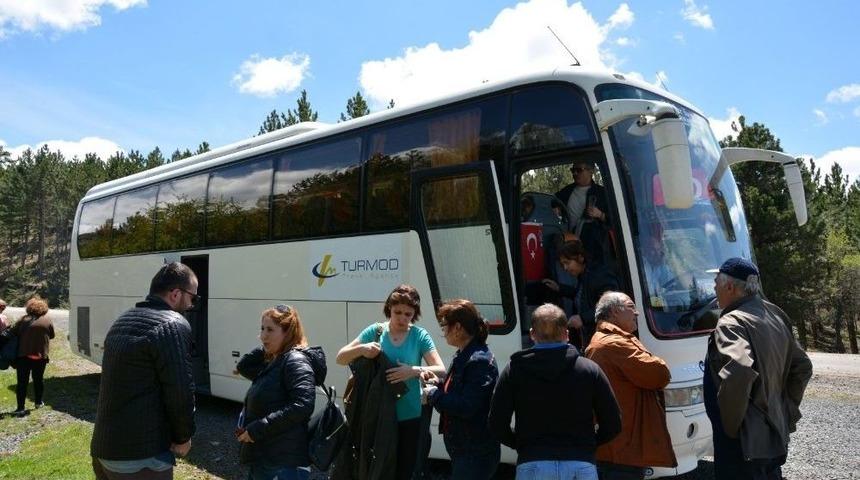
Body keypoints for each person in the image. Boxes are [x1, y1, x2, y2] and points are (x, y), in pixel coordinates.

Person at [704, 258, 813, 480]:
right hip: (773, 437)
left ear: (730, 287)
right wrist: (784, 409)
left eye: (716, 282)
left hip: (744, 445)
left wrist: (732, 428)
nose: (714, 288)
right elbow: (802, 366)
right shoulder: (774, 314)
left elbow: (740, 371)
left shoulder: (731, 322)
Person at [488, 303, 621, 480]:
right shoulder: (590, 369)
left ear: (532, 334)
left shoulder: (514, 370)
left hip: (532, 461)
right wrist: (588, 444)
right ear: (566, 334)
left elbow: (496, 423)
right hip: (580, 462)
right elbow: (613, 423)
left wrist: (522, 445)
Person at [91, 262, 198, 480]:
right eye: (193, 298)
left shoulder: (122, 320)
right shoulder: (173, 324)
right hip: (141, 459)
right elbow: (180, 391)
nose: (192, 305)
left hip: (104, 451)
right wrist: (183, 437)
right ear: (176, 294)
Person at [336, 284, 446, 480]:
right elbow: (341, 358)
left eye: (408, 314)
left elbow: (441, 370)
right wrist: (362, 349)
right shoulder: (375, 331)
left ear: (415, 314)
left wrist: (413, 371)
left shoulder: (420, 336)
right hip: (376, 415)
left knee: (403, 471)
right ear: (389, 309)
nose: (403, 318)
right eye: (398, 312)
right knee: (374, 470)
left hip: (409, 415)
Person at [585, 292, 676, 479]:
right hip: (621, 450)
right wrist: (658, 361)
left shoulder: (607, 340)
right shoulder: (614, 344)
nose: (637, 313)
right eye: (631, 307)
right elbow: (660, 374)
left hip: (619, 447)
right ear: (614, 312)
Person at [235, 304, 327, 480]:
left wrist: (257, 428)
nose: (263, 335)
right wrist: (268, 347)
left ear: (288, 332)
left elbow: (302, 406)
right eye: (262, 329)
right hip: (268, 456)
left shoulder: (295, 361)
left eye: (270, 330)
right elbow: (244, 366)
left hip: (283, 461)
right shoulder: (278, 358)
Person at [422, 299, 500, 479]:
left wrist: (434, 394)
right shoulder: (464, 354)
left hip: (474, 451)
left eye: (444, 326)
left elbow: (467, 406)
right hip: (465, 450)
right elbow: (455, 396)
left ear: (457, 327)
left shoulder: (478, 360)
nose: (443, 332)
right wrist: (438, 385)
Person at [542, 239, 619, 350]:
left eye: (567, 263)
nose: (565, 268)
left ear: (580, 258)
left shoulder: (599, 276)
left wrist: (583, 319)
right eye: (563, 264)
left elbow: (610, 306)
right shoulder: (584, 276)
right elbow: (582, 296)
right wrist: (559, 288)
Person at [555, 160, 611, 263]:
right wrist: (555, 209)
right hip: (569, 245)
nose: (575, 173)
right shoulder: (567, 191)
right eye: (573, 170)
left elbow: (615, 221)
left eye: (579, 170)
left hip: (594, 247)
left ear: (591, 171)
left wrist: (600, 214)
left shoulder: (603, 193)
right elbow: (552, 202)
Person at [10, 296, 55, 416]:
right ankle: (38, 402)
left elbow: (13, 333)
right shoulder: (47, 320)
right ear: (44, 308)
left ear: (29, 308)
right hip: (40, 356)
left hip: (23, 356)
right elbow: (52, 335)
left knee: (22, 382)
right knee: (38, 380)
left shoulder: (23, 320)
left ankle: (20, 407)